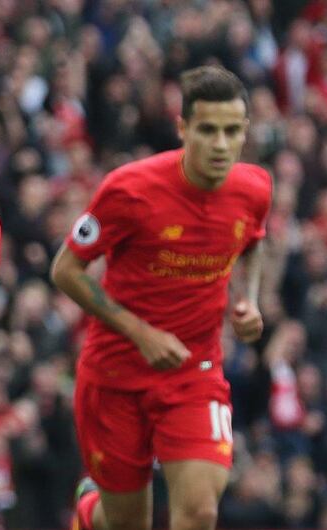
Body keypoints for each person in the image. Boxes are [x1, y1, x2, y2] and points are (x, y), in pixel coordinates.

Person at [50, 65, 272, 530]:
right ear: (183, 128)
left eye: (232, 131)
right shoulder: (130, 190)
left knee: (200, 512)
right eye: (207, 130)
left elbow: (253, 242)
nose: (220, 144)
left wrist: (249, 300)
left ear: (245, 132)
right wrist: (142, 333)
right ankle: (91, 510)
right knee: (127, 522)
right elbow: (66, 271)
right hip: (115, 373)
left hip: (196, 370)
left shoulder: (254, 188)